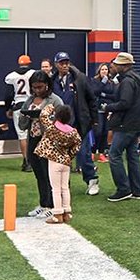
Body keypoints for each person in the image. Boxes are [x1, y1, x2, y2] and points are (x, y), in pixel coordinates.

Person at [51, 51, 101, 196]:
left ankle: (92, 180)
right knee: (60, 157)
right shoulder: (52, 80)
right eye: (62, 63)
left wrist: (94, 119)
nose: (65, 65)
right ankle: (63, 185)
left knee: (83, 154)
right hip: (60, 125)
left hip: (79, 123)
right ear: (56, 65)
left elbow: (91, 99)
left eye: (67, 62)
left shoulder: (80, 78)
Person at [19, 70, 63, 219]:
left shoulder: (55, 100)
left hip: (49, 141)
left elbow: (63, 122)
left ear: (47, 85)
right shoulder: (29, 100)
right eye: (34, 87)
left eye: (40, 87)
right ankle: (43, 203)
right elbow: (22, 124)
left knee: (49, 174)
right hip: (33, 139)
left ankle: (53, 205)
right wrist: (26, 115)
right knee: (39, 174)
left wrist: (45, 118)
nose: (37, 90)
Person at [102, 51, 140, 202]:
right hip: (135, 123)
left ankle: (123, 189)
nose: (113, 66)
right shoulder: (134, 80)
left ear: (124, 66)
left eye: (117, 64)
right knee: (133, 156)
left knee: (114, 155)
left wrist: (108, 107)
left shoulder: (126, 81)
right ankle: (137, 190)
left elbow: (125, 103)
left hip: (125, 124)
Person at [35, 104, 82, 224]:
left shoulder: (52, 128)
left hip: (54, 161)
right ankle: (67, 212)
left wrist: (51, 106)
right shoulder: (73, 132)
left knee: (55, 189)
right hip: (66, 162)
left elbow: (43, 115)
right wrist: (69, 155)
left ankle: (57, 215)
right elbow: (77, 145)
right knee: (65, 188)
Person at [4, 53, 37, 172]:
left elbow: (8, 95)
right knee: (33, 133)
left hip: (19, 106)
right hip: (33, 105)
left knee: (22, 135)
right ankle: (33, 159)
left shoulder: (12, 76)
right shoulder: (34, 73)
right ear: (29, 63)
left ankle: (27, 161)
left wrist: (8, 108)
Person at [92, 63, 115, 162]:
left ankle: (101, 153)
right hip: (98, 110)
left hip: (107, 109)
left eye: (106, 69)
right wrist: (102, 83)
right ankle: (93, 153)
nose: (104, 71)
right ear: (99, 71)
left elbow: (113, 95)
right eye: (102, 70)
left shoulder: (111, 83)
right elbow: (95, 92)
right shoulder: (95, 81)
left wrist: (103, 95)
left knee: (105, 132)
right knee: (98, 131)